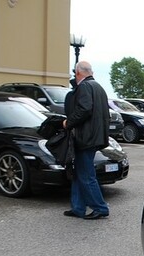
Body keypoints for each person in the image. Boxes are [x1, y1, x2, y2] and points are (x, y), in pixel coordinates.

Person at [62, 61, 110, 220]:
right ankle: (78, 207)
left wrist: (68, 123)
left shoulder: (84, 87)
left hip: (86, 138)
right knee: (80, 173)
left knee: (86, 175)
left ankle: (100, 207)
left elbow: (84, 109)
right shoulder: (99, 87)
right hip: (95, 137)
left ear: (77, 73)